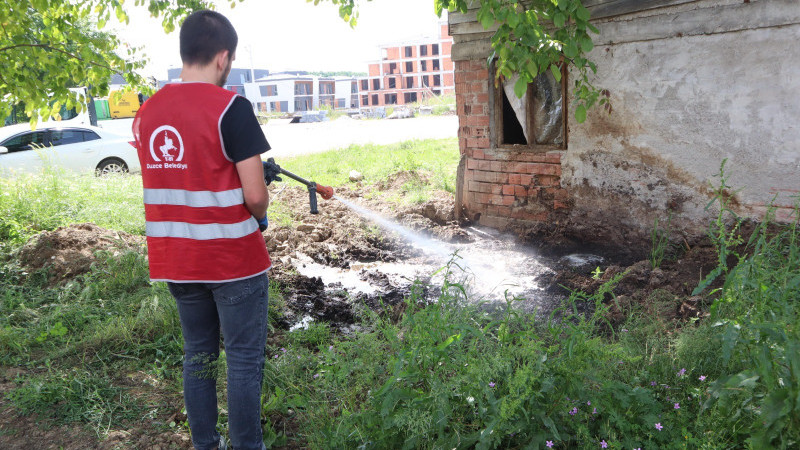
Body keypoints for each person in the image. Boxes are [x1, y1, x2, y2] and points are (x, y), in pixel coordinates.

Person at [133, 10, 272, 450]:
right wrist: (261, 204)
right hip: (233, 261)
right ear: (223, 57)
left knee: (198, 355)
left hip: (177, 260)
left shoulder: (147, 112)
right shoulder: (232, 107)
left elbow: (182, 176)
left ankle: (204, 445)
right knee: (244, 360)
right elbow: (255, 196)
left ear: (184, 52)